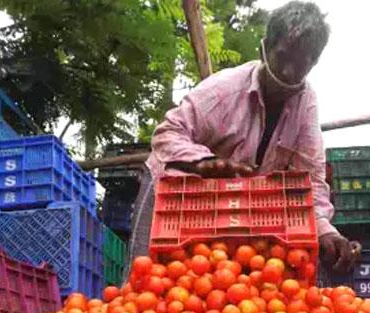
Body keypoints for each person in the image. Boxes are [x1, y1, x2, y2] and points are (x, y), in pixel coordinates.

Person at [128, 0, 357, 272]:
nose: (287, 72)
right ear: (265, 48)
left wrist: (325, 230)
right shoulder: (223, 91)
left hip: (235, 205)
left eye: (300, 65)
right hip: (175, 191)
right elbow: (167, 134)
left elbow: (312, 180)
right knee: (147, 277)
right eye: (282, 57)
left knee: (221, 283)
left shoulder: (305, 106)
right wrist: (201, 162)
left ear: (313, 64)